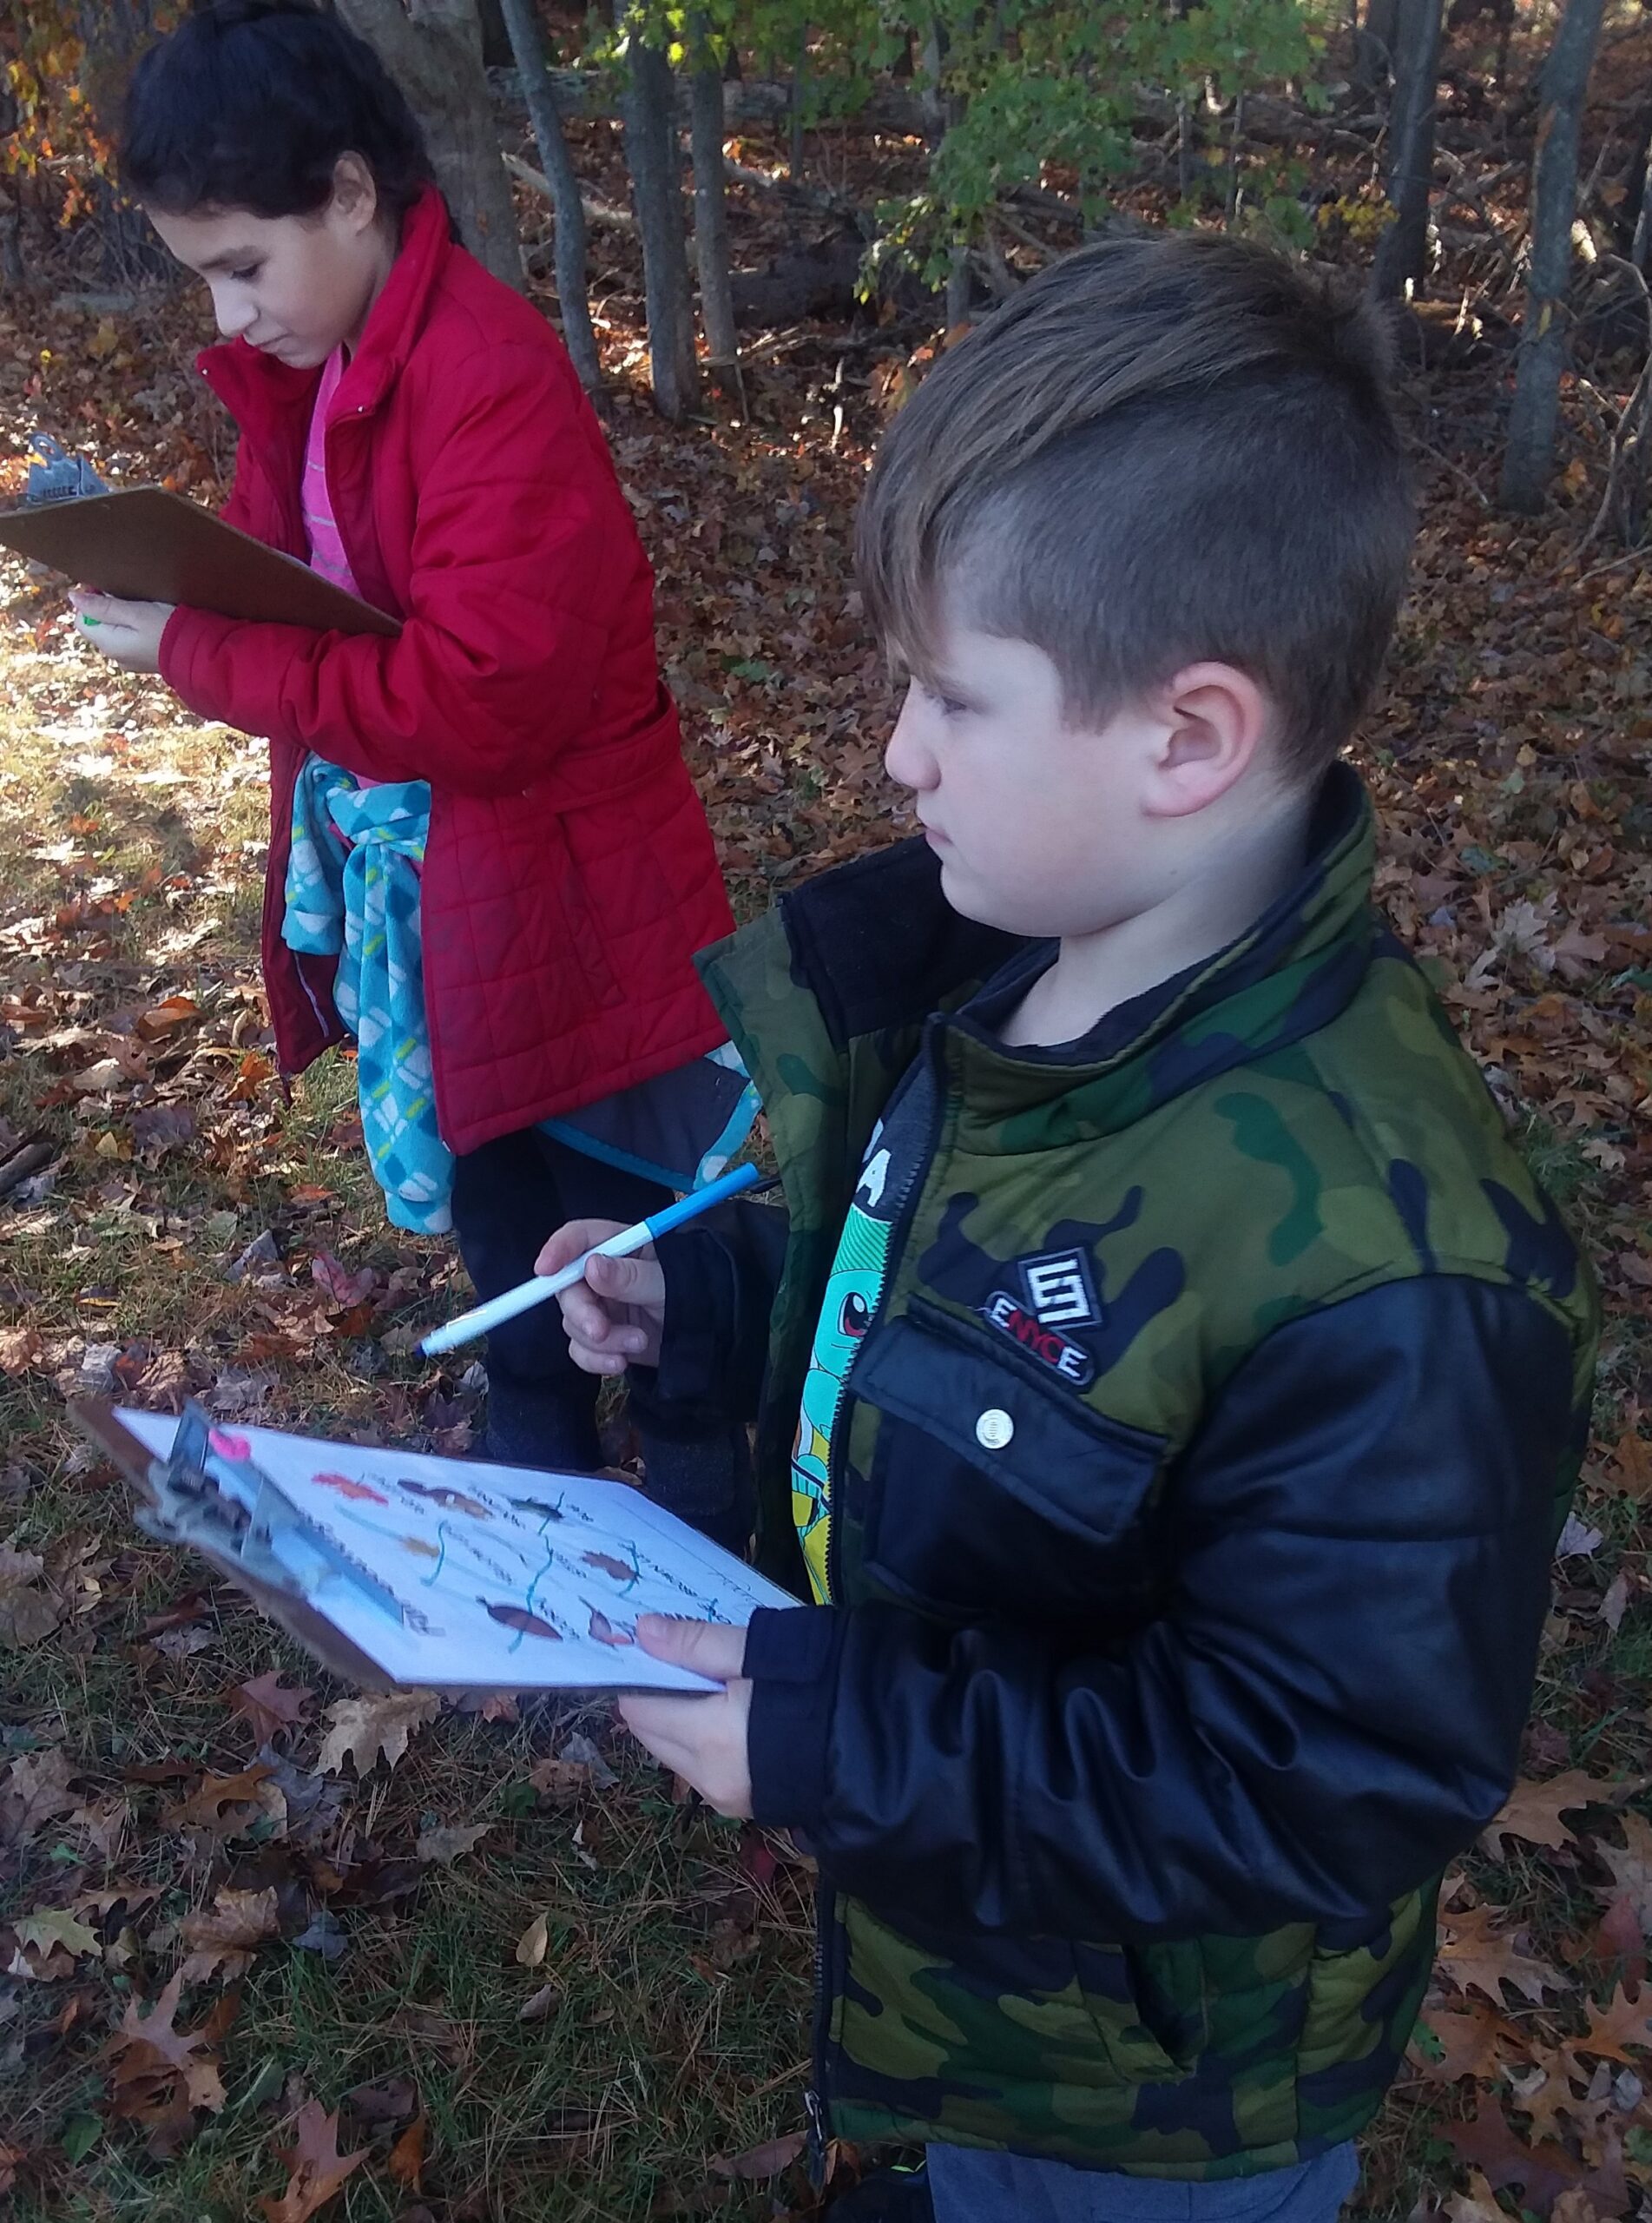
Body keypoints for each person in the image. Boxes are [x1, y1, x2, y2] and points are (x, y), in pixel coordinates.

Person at [536, 233, 1600, 2221]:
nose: (896, 755)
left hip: (1167, 2097)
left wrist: (848, 1740)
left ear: (1186, 738)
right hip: (984, 1978)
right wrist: (710, 1297)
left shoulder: (1396, 1262)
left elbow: (1317, 1764)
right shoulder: (989, 988)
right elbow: (941, 1318)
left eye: (951, 694)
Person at [75, 0, 751, 1543]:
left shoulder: (489, 380)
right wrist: (173, 585)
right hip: (439, 882)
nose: (230, 317)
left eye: (245, 266)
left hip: (574, 889)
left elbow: (478, 699)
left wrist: (190, 650)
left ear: (354, 196)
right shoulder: (313, 370)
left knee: (640, 1202)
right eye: (206, 280)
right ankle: (543, 1492)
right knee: (494, 1168)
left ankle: (711, 1532)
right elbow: (297, 595)